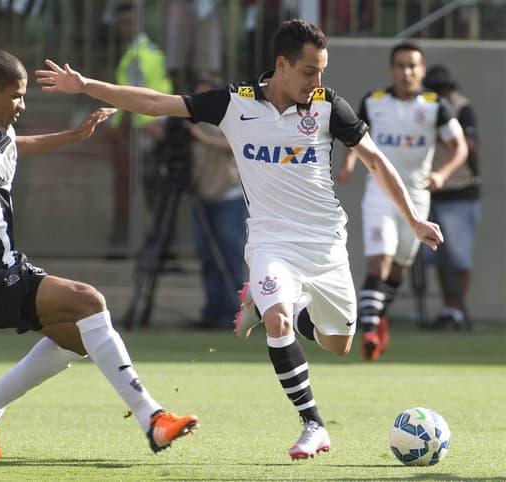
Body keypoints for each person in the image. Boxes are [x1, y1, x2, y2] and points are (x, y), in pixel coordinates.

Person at [36, 19, 444, 460]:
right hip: (271, 243)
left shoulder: (329, 106)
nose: (318, 81)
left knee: (339, 343)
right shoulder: (234, 103)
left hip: (326, 246)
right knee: (279, 324)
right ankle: (313, 424)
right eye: (310, 71)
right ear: (282, 65)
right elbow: (156, 103)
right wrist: (85, 85)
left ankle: (272, 303)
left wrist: (415, 220)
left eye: (322, 71)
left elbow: (377, 162)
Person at [0, 48, 198, 458]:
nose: (23, 104)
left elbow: (5, 148)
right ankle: (153, 418)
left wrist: (72, 136)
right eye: (17, 96)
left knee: (78, 338)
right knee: (89, 302)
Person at [337, 42, 468, 360]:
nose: (406, 71)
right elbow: (356, 138)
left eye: (412, 66)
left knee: (397, 269)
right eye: (400, 65)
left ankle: (377, 316)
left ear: (421, 70)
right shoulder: (373, 101)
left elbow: (460, 146)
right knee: (379, 261)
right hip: (379, 195)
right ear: (391, 69)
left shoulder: (436, 105)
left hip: (417, 198)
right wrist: (348, 165)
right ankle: (368, 330)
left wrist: (442, 174)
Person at [105, 1, 173, 256]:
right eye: (121, 23)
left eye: (128, 22)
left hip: (145, 130)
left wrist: (142, 127)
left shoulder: (138, 55)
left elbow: (135, 98)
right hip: (147, 126)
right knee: (147, 191)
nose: (125, 28)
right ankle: (157, 245)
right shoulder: (144, 51)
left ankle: (154, 245)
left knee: (147, 191)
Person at [421, 64, 480, 330]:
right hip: (432, 190)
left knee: (458, 256)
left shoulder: (459, 107)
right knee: (436, 256)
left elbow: (469, 146)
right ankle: (448, 308)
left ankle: (456, 311)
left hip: (460, 190)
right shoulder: (424, 107)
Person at [187, 77, 247, 330]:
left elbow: (234, 146)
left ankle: (234, 314)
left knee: (230, 256)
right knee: (208, 257)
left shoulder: (229, 118)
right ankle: (213, 312)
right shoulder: (190, 120)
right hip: (202, 196)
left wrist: (199, 136)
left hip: (227, 195)